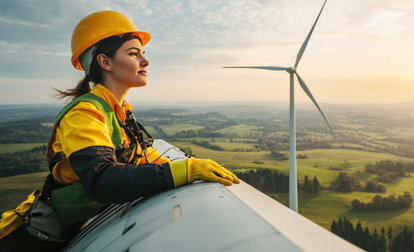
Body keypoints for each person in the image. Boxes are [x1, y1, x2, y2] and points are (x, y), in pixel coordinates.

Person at [0, 10, 239, 251]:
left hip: (61, 234)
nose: (145, 62)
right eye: (134, 54)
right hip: (31, 240)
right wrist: (185, 170)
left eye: (143, 54)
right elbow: (102, 180)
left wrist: (197, 167)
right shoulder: (84, 114)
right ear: (105, 62)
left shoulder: (120, 112)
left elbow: (146, 158)